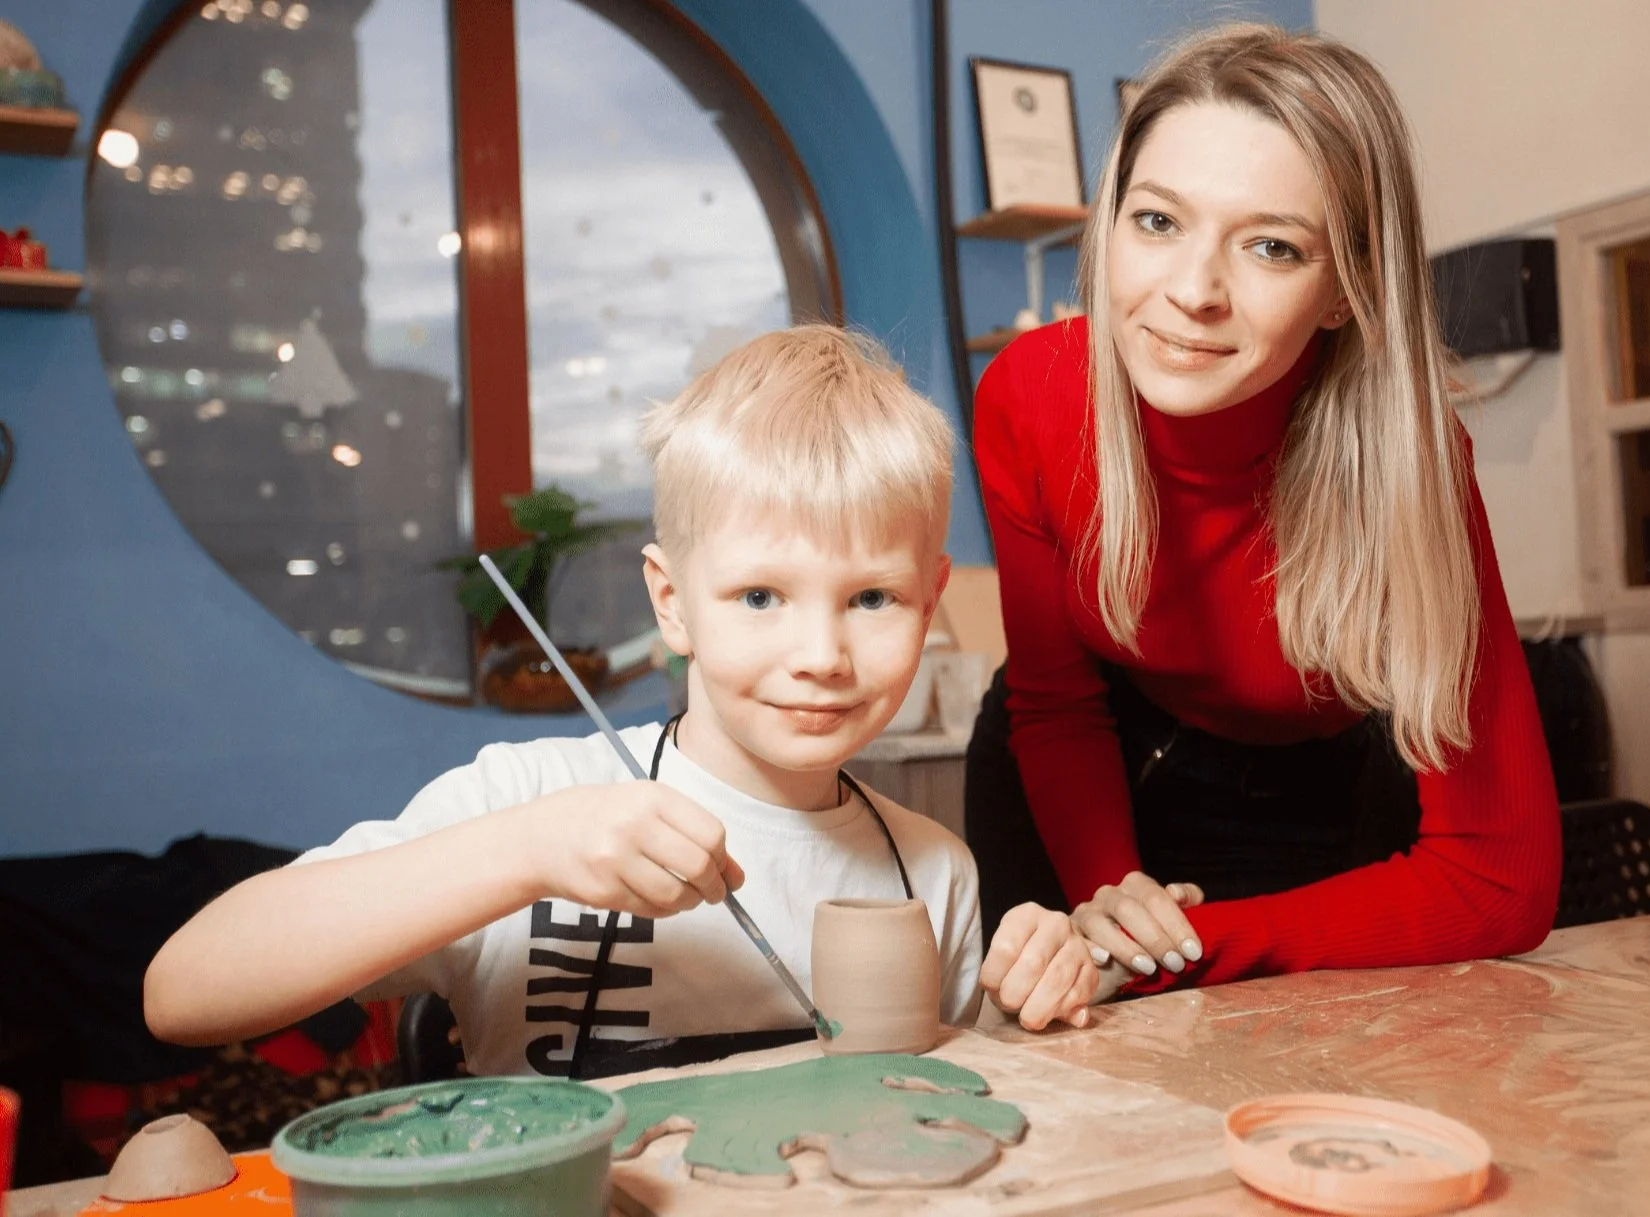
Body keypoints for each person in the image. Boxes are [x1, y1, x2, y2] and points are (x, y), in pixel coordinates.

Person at [144, 325, 1092, 1079]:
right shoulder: (536, 797)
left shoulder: (936, 872)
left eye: (871, 598)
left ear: (931, 602)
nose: (821, 656)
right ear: (671, 602)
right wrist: (523, 853)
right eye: (760, 596)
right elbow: (183, 992)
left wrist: (1028, 999)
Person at [966, 22, 1561, 1005]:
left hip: (1313, 795)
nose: (1191, 291)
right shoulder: (1028, 398)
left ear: (1344, 290)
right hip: (1082, 771)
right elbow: (1058, 703)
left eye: (1271, 247)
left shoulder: (1414, 467)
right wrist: (1112, 895)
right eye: (1156, 222)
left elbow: (1499, 875)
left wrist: (1175, 947)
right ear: (1107, 222)